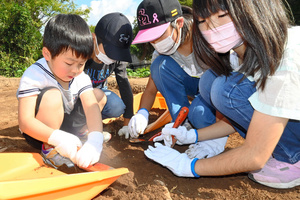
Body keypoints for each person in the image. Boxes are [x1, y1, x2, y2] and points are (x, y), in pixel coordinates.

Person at [144, 0, 300, 189]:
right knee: (212, 81)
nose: (211, 28)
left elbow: (255, 156)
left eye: (222, 15)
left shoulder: (286, 56)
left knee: (225, 89)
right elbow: (251, 115)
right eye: (202, 21)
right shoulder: (236, 56)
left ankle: (292, 158)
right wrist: (192, 135)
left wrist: (187, 166)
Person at [127, 0, 227, 155]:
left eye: (159, 35)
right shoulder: (161, 52)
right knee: (159, 66)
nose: (155, 43)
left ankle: (213, 132)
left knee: (199, 115)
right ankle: (182, 122)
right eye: (150, 38)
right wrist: (142, 113)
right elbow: (150, 90)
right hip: (196, 85)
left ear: (179, 23)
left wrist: (217, 137)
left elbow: (226, 79)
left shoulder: (205, 34)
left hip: (217, 86)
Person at [17, 14, 106, 169]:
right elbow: (25, 122)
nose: (75, 70)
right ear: (47, 54)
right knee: (52, 96)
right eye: (69, 63)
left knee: (98, 96)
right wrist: (57, 138)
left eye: (81, 64)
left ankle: (79, 137)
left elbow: (91, 106)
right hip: (41, 133)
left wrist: (95, 140)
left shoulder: (80, 76)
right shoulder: (35, 75)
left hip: (66, 127)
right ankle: (49, 149)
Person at [84, 12, 134, 138]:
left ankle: (92, 123)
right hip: (77, 94)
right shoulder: (82, 51)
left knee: (116, 106)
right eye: (109, 51)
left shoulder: (118, 58)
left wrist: (127, 124)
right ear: (94, 38)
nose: (112, 57)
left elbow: (124, 85)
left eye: (116, 53)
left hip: (99, 94)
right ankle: (81, 127)